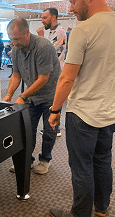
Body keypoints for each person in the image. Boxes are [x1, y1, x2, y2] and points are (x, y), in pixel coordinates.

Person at [48, 0, 115, 217]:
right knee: (102, 159)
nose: (70, 8)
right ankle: (101, 206)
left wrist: (55, 109)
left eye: (72, 2)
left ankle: (80, 216)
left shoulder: (83, 30)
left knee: (82, 165)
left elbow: (67, 78)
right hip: (112, 111)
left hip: (84, 114)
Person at [3, 18, 61, 175]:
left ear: (27, 33)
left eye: (16, 38)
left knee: (49, 131)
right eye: (11, 39)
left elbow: (43, 78)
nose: (13, 43)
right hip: (33, 96)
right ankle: (27, 160)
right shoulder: (16, 49)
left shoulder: (43, 46)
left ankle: (45, 159)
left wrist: (22, 95)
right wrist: (8, 95)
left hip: (51, 95)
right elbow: (16, 75)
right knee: (28, 129)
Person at [36, 7, 65, 137]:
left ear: (53, 17)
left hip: (57, 71)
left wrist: (41, 38)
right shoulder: (53, 31)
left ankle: (55, 128)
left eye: (44, 18)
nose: (42, 21)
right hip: (52, 70)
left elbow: (48, 50)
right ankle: (53, 127)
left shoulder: (59, 31)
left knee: (54, 100)